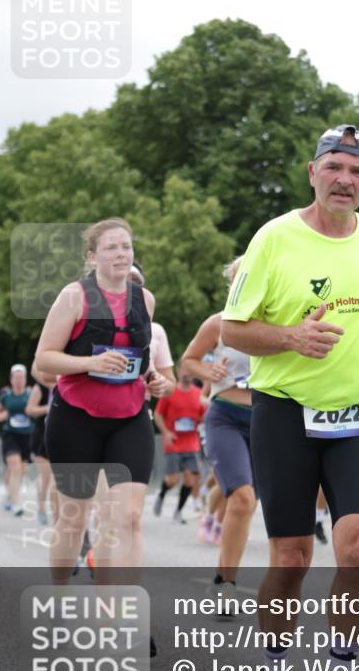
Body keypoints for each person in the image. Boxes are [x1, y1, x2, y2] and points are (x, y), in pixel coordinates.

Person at [222, 124, 359, 671]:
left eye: (356, 172)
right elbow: (232, 329)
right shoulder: (275, 238)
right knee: (294, 553)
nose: (344, 180)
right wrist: (289, 337)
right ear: (312, 172)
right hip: (283, 410)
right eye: (334, 167)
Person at [34, 218, 170, 585]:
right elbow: (43, 359)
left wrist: (153, 380)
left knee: (129, 517)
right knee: (74, 517)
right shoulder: (74, 296)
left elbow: (140, 359)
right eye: (111, 247)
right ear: (92, 256)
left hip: (129, 417)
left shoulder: (145, 299)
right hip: (76, 418)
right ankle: (58, 592)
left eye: (126, 246)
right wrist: (90, 363)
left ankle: (123, 616)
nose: (122, 253)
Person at [182, 257, 257, 611]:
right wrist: (209, 370)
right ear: (232, 284)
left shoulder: (279, 324)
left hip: (269, 421)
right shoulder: (219, 323)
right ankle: (225, 583)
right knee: (242, 498)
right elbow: (189, 361)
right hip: (226, 417)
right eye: (241, 279)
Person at [153, 363, 207, 523]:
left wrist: (201, 420)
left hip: (191, 442)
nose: (187, 373)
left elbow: (203, 416)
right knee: (172, 479)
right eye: (184, 370)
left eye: (191, 370)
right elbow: (158, 415)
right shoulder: (170, 392)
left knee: (192, 479)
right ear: (178, 372)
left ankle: (178, 511)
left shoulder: (198, 394)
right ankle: (161, 495)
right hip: (173, 442)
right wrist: (166, 432)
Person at [0, 364, 33, 516]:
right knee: (14, 467)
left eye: (21, 377)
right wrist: (0, 416)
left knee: (22, 470)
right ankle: (16, 503)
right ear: (11, 379)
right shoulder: (6, 396)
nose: (18, 380)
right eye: (15, 377)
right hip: (10, 434)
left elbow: (36, 409)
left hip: (27, 435)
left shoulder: (30, 394)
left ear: (25, 378)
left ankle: (10, 495)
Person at [25, 361, 57, 525]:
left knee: (57, 478)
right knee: (45, 476)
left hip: (61, 433)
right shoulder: (42, 387)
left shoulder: (67, 385)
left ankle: (57, 512)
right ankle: (41, 509)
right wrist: (48, 408)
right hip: (41, 434)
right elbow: (30, 410)